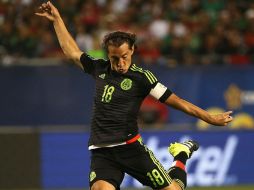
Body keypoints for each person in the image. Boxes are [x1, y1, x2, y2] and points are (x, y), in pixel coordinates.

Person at [36, 2, 233, 190]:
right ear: (108, 54)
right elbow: (72, 52)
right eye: (114, 58)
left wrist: (210, 118)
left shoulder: (142, 78)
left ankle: (181, 154)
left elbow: (178, 102)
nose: (120, 63)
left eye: (124, 57)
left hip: (131, 150)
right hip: (102, 151)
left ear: (132, 51)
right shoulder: (98, 68)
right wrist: (57, 20)